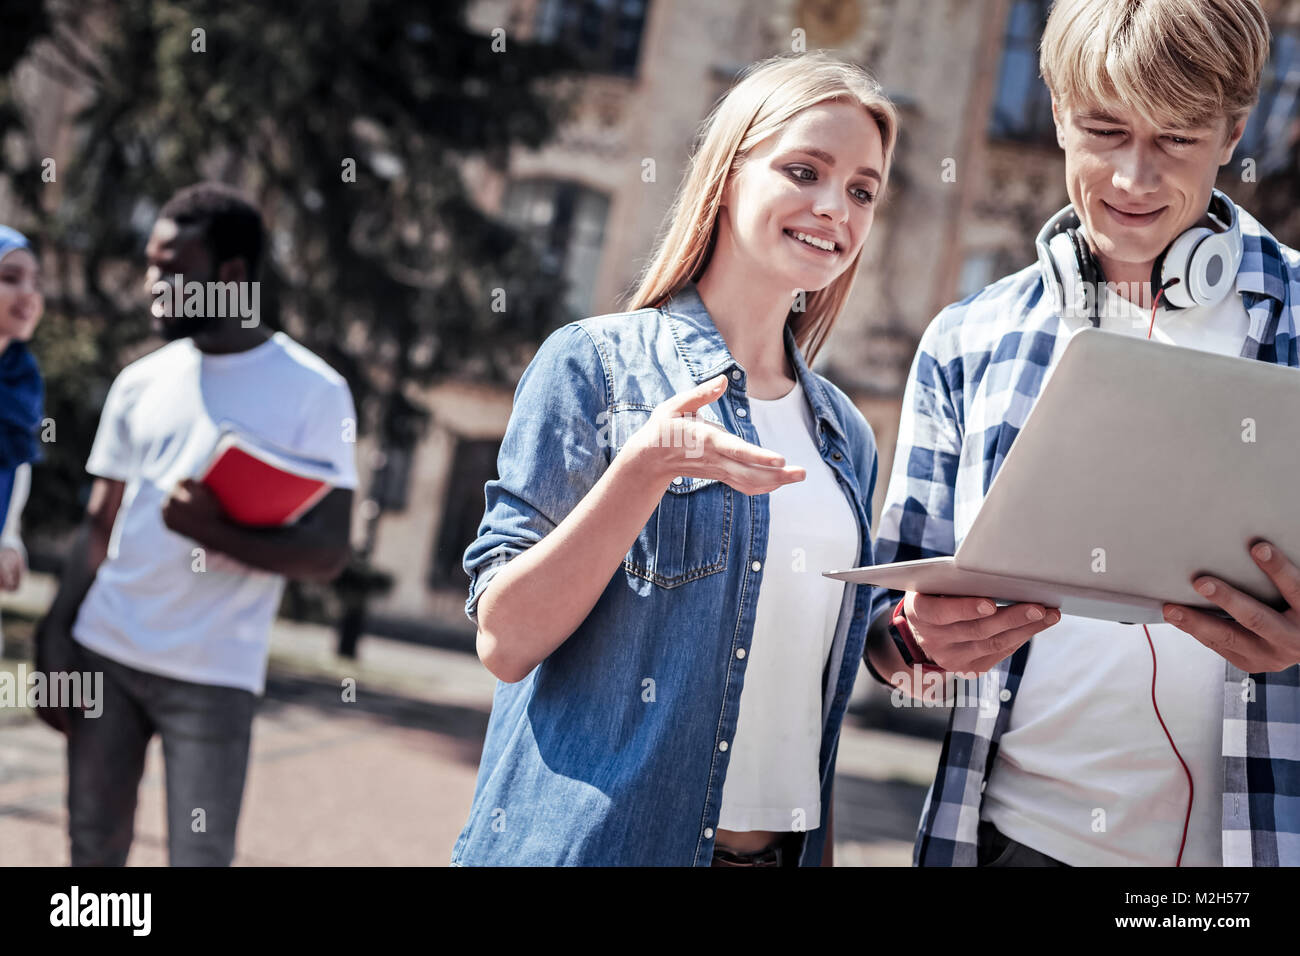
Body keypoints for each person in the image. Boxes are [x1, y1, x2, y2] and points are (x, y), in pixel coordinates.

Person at [865, 0, 1299, 866]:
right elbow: (884, 640)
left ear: (1234, 129)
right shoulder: (967, 340)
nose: (1135, 179)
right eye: (1105, 130)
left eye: (1176, 139)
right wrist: (916, 639)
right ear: (1059, 111)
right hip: (1010, 846)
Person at [453, 52, 898, 867]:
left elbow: (810, 698)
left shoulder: (847, 436)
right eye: (805, 170)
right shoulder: (593, 367)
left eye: (863, 190)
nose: (836, 206)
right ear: (728, 176)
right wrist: (644, 468)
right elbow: (505, 640)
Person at [33, 183, 358, 866]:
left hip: (214, 673)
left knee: (199, 855)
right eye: (150, 265)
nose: (151, 286)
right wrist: (54, 632)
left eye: (172, 270)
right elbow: (99, 524)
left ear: (231, 276)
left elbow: (328, 552)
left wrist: (211, 531)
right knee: (93, 849)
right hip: (107, 652)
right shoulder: (140, 380)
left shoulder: (315, 390)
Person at [0, 226, 45, 655]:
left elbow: (15, 467)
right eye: (10, 278)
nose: (28, 294)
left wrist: (8, 538)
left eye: (36, 282)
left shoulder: (19, 381)